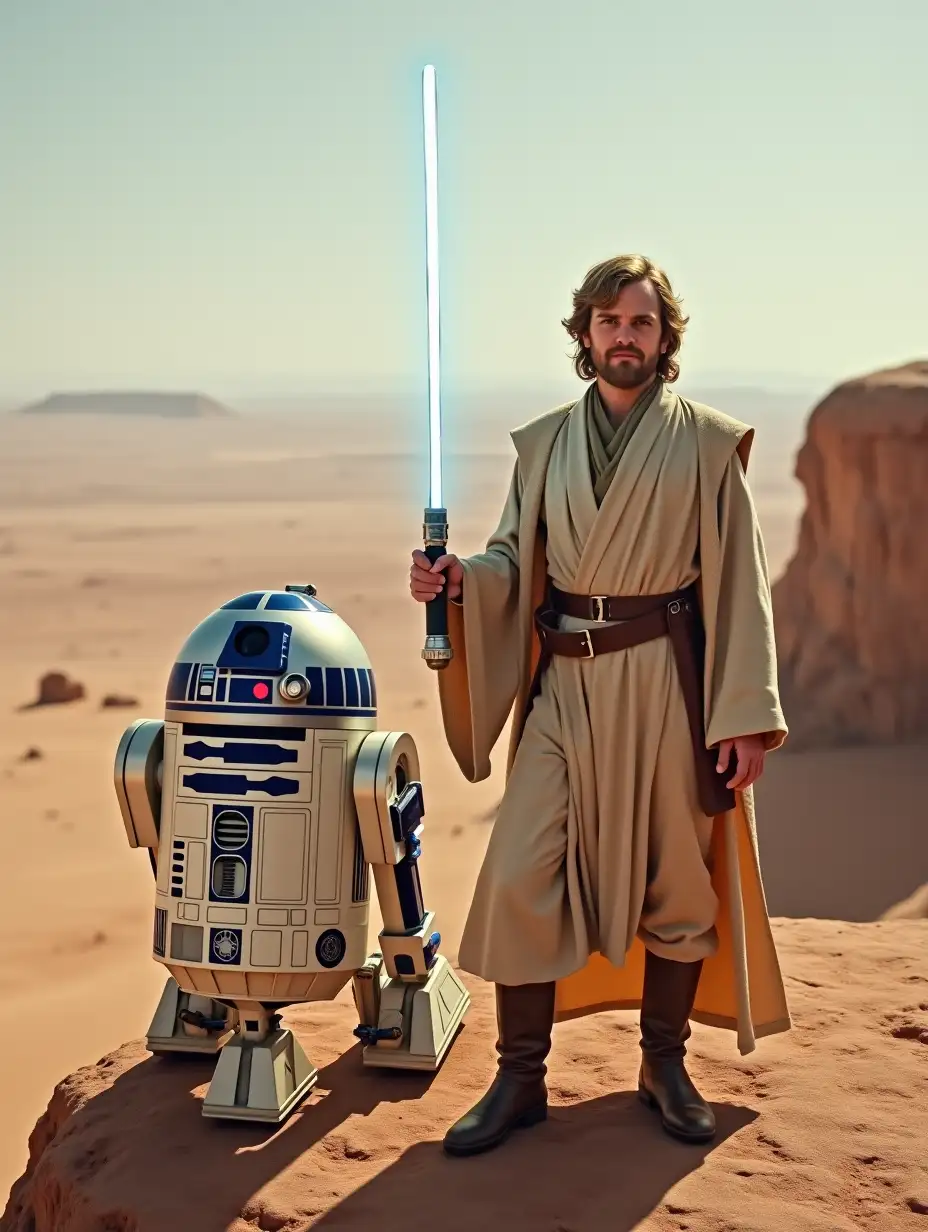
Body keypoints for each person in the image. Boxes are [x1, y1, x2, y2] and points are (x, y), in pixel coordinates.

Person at [409, 254, 791, 1158]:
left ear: (666, 341)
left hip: (664, 680)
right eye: (610, 322)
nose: (626, 337)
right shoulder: (543, 444)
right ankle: (518, 1079)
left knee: (678, 879)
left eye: (643, 324)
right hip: (565, 685)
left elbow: (739, 580)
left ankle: (665, 1066)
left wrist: (742, 713)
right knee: (517, 872)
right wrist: (461, 580)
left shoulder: (704, 443)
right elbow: (513, 557)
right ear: (584, 335)